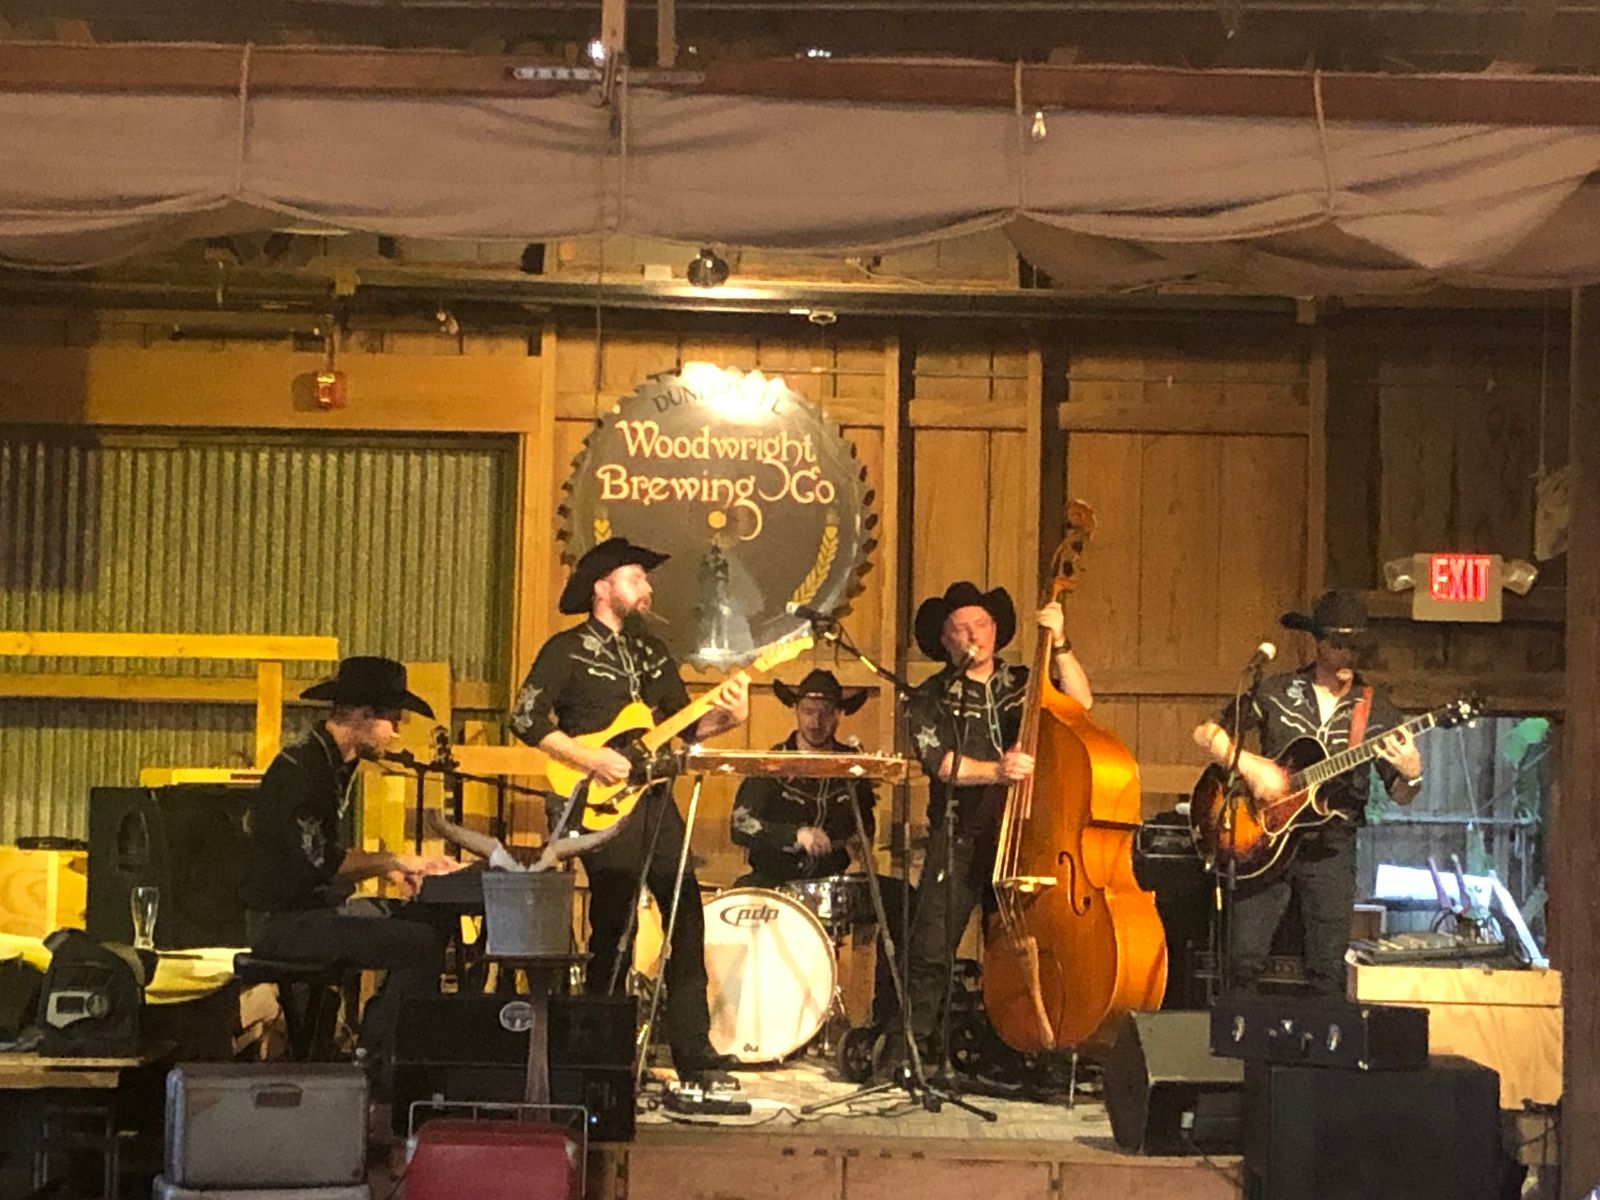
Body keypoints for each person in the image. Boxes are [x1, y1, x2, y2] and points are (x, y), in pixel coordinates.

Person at [509, 537, 749, 1080]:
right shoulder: (566, 650)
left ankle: (694, 1052)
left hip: (656, 796)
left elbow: (684, 726)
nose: (647, 588)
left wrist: (727, 719)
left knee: (685, 913)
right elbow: (525, 719)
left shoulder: (653, 652)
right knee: (614, 922)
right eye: (636, 578)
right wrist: (589, 758)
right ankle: (601, 1052)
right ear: (603, 587)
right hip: (598, 802)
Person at [893, 580, 1091, 1060]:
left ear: (996, 631)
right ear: (945, 640)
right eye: (960, 628)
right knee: (931, 947)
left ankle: (1022, 1047)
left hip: (1026, 835)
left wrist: (1061, 642)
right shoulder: (929, 696)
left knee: (1020, 948)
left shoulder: (1027, 682)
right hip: (960, 834)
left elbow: (1081, 704)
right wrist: (998, 771)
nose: (972, 635)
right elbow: (942, 764)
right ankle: (912, 1053)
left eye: (980, 625)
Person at [1191, 590, 1423, 995]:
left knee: (1328, 968)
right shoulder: (1277, 692)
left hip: (1332, 846)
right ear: (1318, 642)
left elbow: (1400, 794)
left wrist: (1413, 775)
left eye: (1355, 646)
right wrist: (1252, 767)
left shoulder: (1379, 711)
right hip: (1263, 838)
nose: (1347, 654)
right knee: (1242, 960)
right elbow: (1207, 732)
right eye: (1338, 644)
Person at [240, 656, 457, 1085]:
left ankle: (382, 1042)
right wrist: (393, 860)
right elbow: (319, 861)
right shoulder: (303, 771)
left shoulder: (331, 764)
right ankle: (376, 1058)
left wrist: (391, 870)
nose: (396, 731)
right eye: (392, 719)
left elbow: (326, 852)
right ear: (362, 715)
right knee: (417, 943)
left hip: (310, 912)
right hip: (282, 923)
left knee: (429, 919)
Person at [730, 668, 903, 1028]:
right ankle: (746, 1018)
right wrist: (796, 835)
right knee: (735, 905)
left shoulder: (851, 764)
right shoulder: (773, 762)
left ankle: (886, 1021)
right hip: (775, 881)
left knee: (902, 901)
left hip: (831, 885)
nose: (816, 721)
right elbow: (740, 825)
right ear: (796, 711)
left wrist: (859, 847)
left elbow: (863, 827)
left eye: (825, 713)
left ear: (839, 715)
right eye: (808, 711)